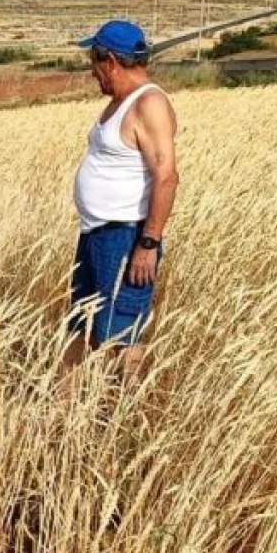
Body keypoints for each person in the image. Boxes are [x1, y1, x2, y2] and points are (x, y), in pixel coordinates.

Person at [67, 20, 179, 386]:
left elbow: (166, 176)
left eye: (94, 62)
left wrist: (148, 243)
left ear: (110, 60)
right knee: (81, 327)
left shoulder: (149, 103)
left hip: (125, 238)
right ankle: (60, 413)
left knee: (123, 338)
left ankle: (131, 418)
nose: (92, 72)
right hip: (96, 235)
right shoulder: (120, 102)